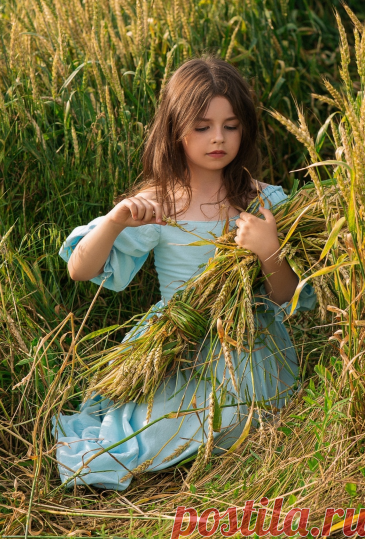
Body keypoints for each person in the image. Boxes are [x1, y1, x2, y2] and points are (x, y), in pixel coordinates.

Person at [54, 53, 315, 489]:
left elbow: (287, 297)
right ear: (176, 131)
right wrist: (117, 219)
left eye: (230, 126)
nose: (219, 138)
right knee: (154, 435)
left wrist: (269, 251)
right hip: (181, 345)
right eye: (202, 127)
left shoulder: (264, 201)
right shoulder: (161, 204)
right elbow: (81, 270)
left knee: (244, 420)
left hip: (250, 344)